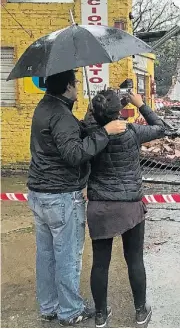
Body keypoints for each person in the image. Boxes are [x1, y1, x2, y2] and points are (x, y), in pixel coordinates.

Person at [27, 70, 127, 327]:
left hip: (40, 193)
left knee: (46, 254)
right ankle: (70, 311)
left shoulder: (45, 106)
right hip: (61, 196)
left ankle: (49, 306)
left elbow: (70, 133)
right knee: (67, 255)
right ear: (68, 86)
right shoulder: (61, 115)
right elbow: (74, 154)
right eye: (77, 83)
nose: (79, 86)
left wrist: (93, 121)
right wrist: (104, 132)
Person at [85, 89, 166, 328]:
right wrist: (140, 104)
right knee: (134, 260)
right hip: (130, 207)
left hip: (100, 206)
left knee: (100, 263)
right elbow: (161, 127)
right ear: (119, 111)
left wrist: (97, 110)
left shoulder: (90, 133)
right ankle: (140, 311)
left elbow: (90, 121)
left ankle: (100, 315)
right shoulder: (132, 132)